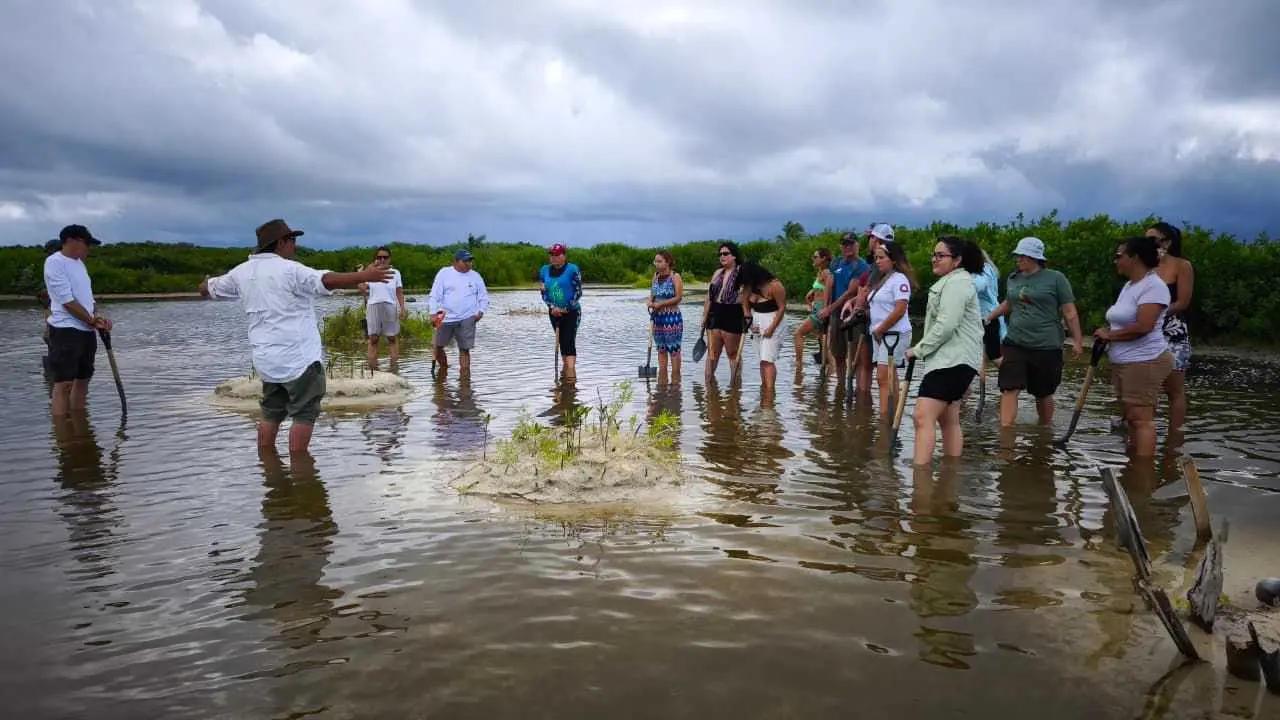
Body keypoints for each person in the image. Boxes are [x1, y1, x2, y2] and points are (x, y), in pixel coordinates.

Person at [199, 219, 394, 453]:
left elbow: (207, 289)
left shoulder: (241, 273)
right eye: (292, 240)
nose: (295, 245)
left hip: (266, 362)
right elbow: (326, 280)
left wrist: (205, 282)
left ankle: (269, 467)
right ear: (280, 242)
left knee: (271, 412)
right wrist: (365, 276)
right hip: (299, 360)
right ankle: (300, 470)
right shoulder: (290, 269)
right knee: (303, 414)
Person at [984, 237, 1083, 427]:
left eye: (1023, 256)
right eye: (1018, 256)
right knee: (1009, 387)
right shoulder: (1014, 278)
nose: (1019, 260)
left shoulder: (1056, 279)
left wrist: (1077, 341)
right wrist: (989, 317)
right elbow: (1009, 303)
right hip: (1014, 342)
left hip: (1045, 345)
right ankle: (1006, 432)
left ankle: (1045, 429)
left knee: (1043, 393)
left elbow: (1069, 312)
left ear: (1036, 258)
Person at [907, 236, 985, 466]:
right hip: (956, 361)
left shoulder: (956, 283)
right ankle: (950, 475)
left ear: (957, 260)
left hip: (952, 361)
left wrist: (918, 350)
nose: (934, 259)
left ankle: (920, 480)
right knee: (949, 420)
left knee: (922, 417)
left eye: (940, 255)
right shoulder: (955, 281)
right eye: (934, 254)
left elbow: (946, 325)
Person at [1095, 235, 1173, 458]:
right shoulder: (1130, 285)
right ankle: (1133, 464)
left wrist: (1109, 335)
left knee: (1141, 419)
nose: (1115, 261)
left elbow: (1144, 326)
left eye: (1119, 256)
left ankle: (1142, 472)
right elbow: (1124, 320)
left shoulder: (1153, 286)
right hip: (1125, 361)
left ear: (1135, 258)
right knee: (1131, 417)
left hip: (1144, 360)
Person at [44, 225, 113, 417]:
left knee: (83, 379)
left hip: (86, 330)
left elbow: (87, 299)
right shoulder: (55, 262)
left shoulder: (79, 264)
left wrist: (98, 318)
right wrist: (92, 320)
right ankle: (62, 433)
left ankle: (80, 426)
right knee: (63, 383)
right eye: (87, 244)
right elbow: (67, 301)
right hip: (66, 330)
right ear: (72, 241)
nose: (88, 249)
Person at [840, 222, 896, 401]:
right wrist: (853, 301)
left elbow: (871, 291)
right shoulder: (875, 264)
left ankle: (868, 407)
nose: (869, 241)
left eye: (871, 237)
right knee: (867, 367)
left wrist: (857, 307)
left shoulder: (883, 266)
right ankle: (865, 412)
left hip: (876, 322)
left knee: (869, 366)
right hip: (869, 320)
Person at [1147, 222, 1193, 432]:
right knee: (1148, 387)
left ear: (1167, 241)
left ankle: (1174, 437)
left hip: (1172, 332)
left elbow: (1183, 302)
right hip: (1146, 330)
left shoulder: (1182, 265)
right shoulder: (1146, 266)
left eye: (1152, 239)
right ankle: (1146, 431)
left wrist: (1157, 315)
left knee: (1174, 389)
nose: (1146, 244)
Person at [866, 239, 916, 420]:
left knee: (883, 376)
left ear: (893, 259)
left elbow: (900, 308)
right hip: (880, 334)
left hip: (894, 334)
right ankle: (892, 414)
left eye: (881, 257)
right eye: (876, 258)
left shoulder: (899, 280)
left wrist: (881, 330)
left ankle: (885, 417)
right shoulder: (882, 280)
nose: (877, 261)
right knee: (889, 376)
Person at [819, 232, 872, 390]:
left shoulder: (861, 266)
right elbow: (829, 283)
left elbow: (851, 292)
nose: (847, 247)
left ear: (857, 245)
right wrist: (826, 307)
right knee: (837, 352)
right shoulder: (836, 262)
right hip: (835, 314)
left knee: (854, 354)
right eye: (844, 244)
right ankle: (841, 385)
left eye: (850, 244)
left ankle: (855, 386)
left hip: (852, 314)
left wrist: (830, 308)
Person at [428, 249, 490, 378]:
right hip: (445, 317)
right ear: (456, 262)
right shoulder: (444, 273)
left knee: (464, 349)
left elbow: (483, 296)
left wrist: (481, 311)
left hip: (468, 317)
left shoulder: (475, 276)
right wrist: (433, 313)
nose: (468, 264)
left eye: (470, 261)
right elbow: (435, 295)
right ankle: (444, 369)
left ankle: (465, 381)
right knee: (438, 347)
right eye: (465, 261)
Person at [738, 262, 788, 396]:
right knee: (761, 359)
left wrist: (772, 327)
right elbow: (744, 300)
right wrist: (747, 313)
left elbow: (782, 308)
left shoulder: (775, 285)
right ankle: (764, 387)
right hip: (756, 321)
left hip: (774, 320)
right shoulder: (750, 285)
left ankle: (770, 392)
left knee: (768, 359)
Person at [702, 242, 745, 383]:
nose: (722, 256)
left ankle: (735, 388)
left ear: (734, 256)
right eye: (720, 254)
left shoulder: (741, 272)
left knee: (733, 354)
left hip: (733, 313)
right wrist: (704, 316)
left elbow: (746, 297)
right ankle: (709, 389)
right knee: (712, 353)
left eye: (725, 253)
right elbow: (709, 297)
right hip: (715, 312)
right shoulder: (717, 273)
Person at [359, 246, 406, 370]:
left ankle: (394, 367)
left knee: (392, 337)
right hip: (373, 304)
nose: (382, 260)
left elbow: (399, 292)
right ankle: (373, 369)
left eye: (385, 257)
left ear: (389, 259)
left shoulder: (395, 273)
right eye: (379, 257)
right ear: (375, 259)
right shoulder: (370, 272)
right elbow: (362, 287)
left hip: (390, 305)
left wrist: (403, 308)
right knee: (373, 338)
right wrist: (363, 276)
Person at [539, 243, 583, 380]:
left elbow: (578, 292)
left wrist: (566, 308)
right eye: (551, 255)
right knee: (561, 342)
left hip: (571, 311)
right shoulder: (544, 270)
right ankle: (565, 374)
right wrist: (552, 307)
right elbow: (543, 292)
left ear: (564, 256)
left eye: (557, 255)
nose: (554, 257)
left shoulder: (572, 269)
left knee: (569, 341)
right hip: (554, 312)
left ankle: (570, 378)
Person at [793, 247, 834, 375]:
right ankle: (832, 375)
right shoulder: (820, 273)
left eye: (815, 257)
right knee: (824, 344)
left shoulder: (827, 273)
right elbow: (817, 290)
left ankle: (798, 364)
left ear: (823, 259)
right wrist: (810, 299)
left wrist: (826, 309)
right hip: (817, 308)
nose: (813, 259)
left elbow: (829, 291)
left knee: (798, 333)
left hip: (821, 309)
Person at [647, 251, 684, 385]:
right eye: (655, 261)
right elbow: (652, 294)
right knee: (661, 348)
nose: (656, 264)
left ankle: (675, 381)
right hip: (657, 317)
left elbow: (678, 297)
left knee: (673, 349)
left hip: (672, 317)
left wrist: (661, 303)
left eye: (659, 261)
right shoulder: (655, 277)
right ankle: (662, 380)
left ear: (667, 262)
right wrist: (650, 302)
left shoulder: (675, 277)